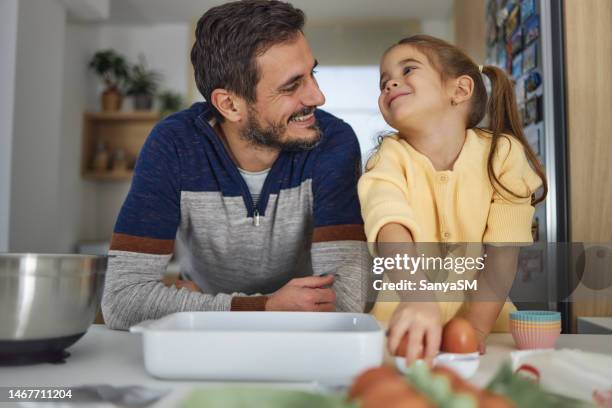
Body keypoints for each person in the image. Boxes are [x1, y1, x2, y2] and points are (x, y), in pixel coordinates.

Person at [101, 0, 369, 330]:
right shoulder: (173, 145)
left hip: (296, 335)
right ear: (229, 104)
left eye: (312, 73)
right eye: (291, 85)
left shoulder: (333, 142)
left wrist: (191, 307)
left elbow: (345, 300)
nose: (318, 96)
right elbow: (122, 300)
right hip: (205, 336)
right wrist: (263, 307)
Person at [358, 35, 547, 365]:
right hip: (400, 325)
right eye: (384, 81)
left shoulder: (502, 155)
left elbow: (503, 254)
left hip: (490, 325)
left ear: (459, 90)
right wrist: (417, 298)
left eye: (408, 70)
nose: (390, 84)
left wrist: (477, 327)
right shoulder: (386, 159)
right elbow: (389, 227)